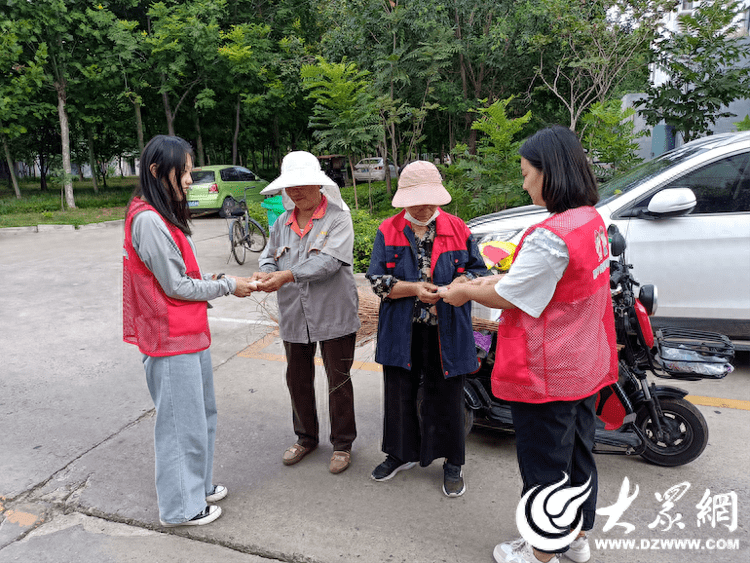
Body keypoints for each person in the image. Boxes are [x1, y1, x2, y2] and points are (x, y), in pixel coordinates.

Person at [442, 126, 618, 563]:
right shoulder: (590, 221)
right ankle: (574, 540)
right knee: (577, 452)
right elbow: (541, 283)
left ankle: (541, 553)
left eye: (526, 173)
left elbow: (511, 295)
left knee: (543, 465)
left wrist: (465, 292)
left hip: (548, 368)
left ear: (549, 172)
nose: (524, 182)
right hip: (583, 361)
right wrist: (485, 280)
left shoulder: (551, 235)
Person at [122, 134, 256, 527]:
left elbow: (182, 274)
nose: (189, 180)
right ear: (157, 171)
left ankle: (196, 485)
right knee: (181, 424)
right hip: (169, 339)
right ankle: (182, 507)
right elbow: (176, 287)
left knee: (201, 416)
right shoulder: (147, 219)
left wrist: (218, 278)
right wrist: (229, 285)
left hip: (187, 333)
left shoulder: (163, 215)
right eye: (184, 171)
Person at [366, 161, 486, 497]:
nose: (426, 206)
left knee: (447, 395)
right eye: (418, 199)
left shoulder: (458, 228)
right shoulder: (388, 230)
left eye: (431, 198)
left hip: (447, 327)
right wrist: (414, 289)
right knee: (399, 392)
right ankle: (400, 453)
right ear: (404, 200)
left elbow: (479, 272)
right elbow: (377, 281)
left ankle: (452, 462)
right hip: (402, 328)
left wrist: (460, 284)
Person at [252, 151, 360, 475]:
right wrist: (266, 272)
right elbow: (267, 256)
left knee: (338, 379)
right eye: (289, 187)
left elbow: (329, 262)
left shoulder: (339, 217)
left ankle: (342, 444)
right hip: (294, 314)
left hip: (334, 312)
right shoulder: (282, 223)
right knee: (297, 378)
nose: (295, 192)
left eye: (301, 185)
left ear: (318, 184)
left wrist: (286, 275)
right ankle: (306, 437)